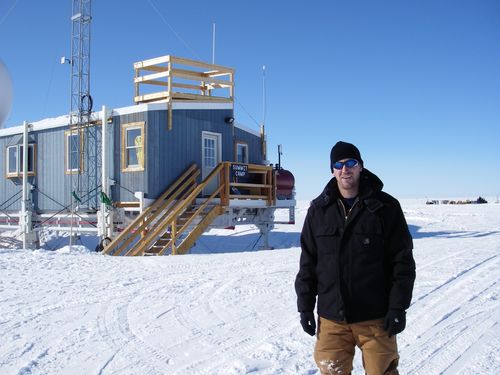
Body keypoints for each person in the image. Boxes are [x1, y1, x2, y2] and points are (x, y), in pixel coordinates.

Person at [295, 141, 416, 375]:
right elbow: (308, 264)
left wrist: (398, 307)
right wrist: (305, 308)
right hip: (332, 320)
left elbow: (402, 262)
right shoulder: (318, 211)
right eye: (338, 164)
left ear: (361, 166)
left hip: (376, 318)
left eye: (351, 163)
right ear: (332, 170)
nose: (345, 169)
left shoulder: (386, 207)